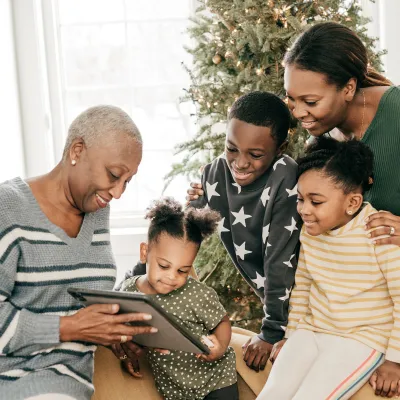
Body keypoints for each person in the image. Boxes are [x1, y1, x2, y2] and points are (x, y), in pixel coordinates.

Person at [0, 105, 157, 400]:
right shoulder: (7, 208)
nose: (118, 193)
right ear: (77, 150)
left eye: (128, 181)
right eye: (113, 175)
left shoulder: (97, 211)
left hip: (66, 386)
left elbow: (72, 297)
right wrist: (69, 327)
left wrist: (112, 334)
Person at [257, 137, 400, 400]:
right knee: (272, 394)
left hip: (362, 337)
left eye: (316, 201)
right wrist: (291, 335)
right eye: (300, 199)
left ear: (352, 203)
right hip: (313, 330)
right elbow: (304, 285)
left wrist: (395, 360)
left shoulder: (379, 233)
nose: (304, 210)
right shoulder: (310, 232)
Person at [176, 91, 300, 372]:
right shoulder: (215, 173)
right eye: (231, 148)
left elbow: (279, 261)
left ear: (280, 148)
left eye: (255, 155)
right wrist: (194, 205)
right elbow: (187, 233)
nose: (240, 163)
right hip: (276, 303)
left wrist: (271, 332)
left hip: (306, 300)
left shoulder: (285, 176)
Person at [283, 21, 400, 246]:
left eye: (310, 101)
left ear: (348, 89)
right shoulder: (323, 138)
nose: (297, 112)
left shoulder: (396, 112)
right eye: (291, 98)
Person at [115, 197, 238, 400]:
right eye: (164, 266)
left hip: (215, 380)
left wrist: (220, 346)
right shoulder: (129, 291)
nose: (172, 277)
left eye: (183, 270)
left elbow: (222, 321)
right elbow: (130, 329)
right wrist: (129, 355)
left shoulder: (196, 294)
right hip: (174, 389)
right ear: (145, 252)